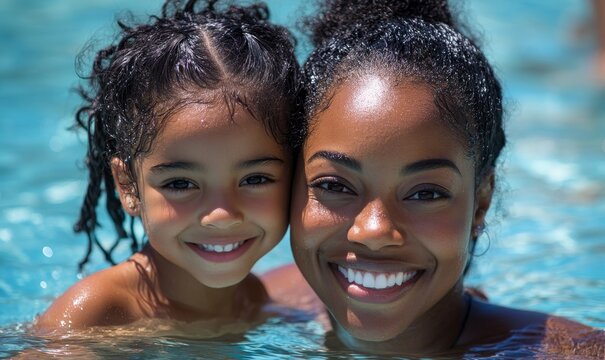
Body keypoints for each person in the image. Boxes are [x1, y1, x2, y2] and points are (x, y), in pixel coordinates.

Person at [264, 0, 603, 356]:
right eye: (334, 186)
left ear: (481, 202)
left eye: (426, 193)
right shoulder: (256, 308)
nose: (375, 232)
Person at [33, 0, 300, 335]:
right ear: (128, 186)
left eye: (255, 179)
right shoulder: (96, 314)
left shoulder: (252, 298)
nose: (221, 215)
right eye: (180, 183)